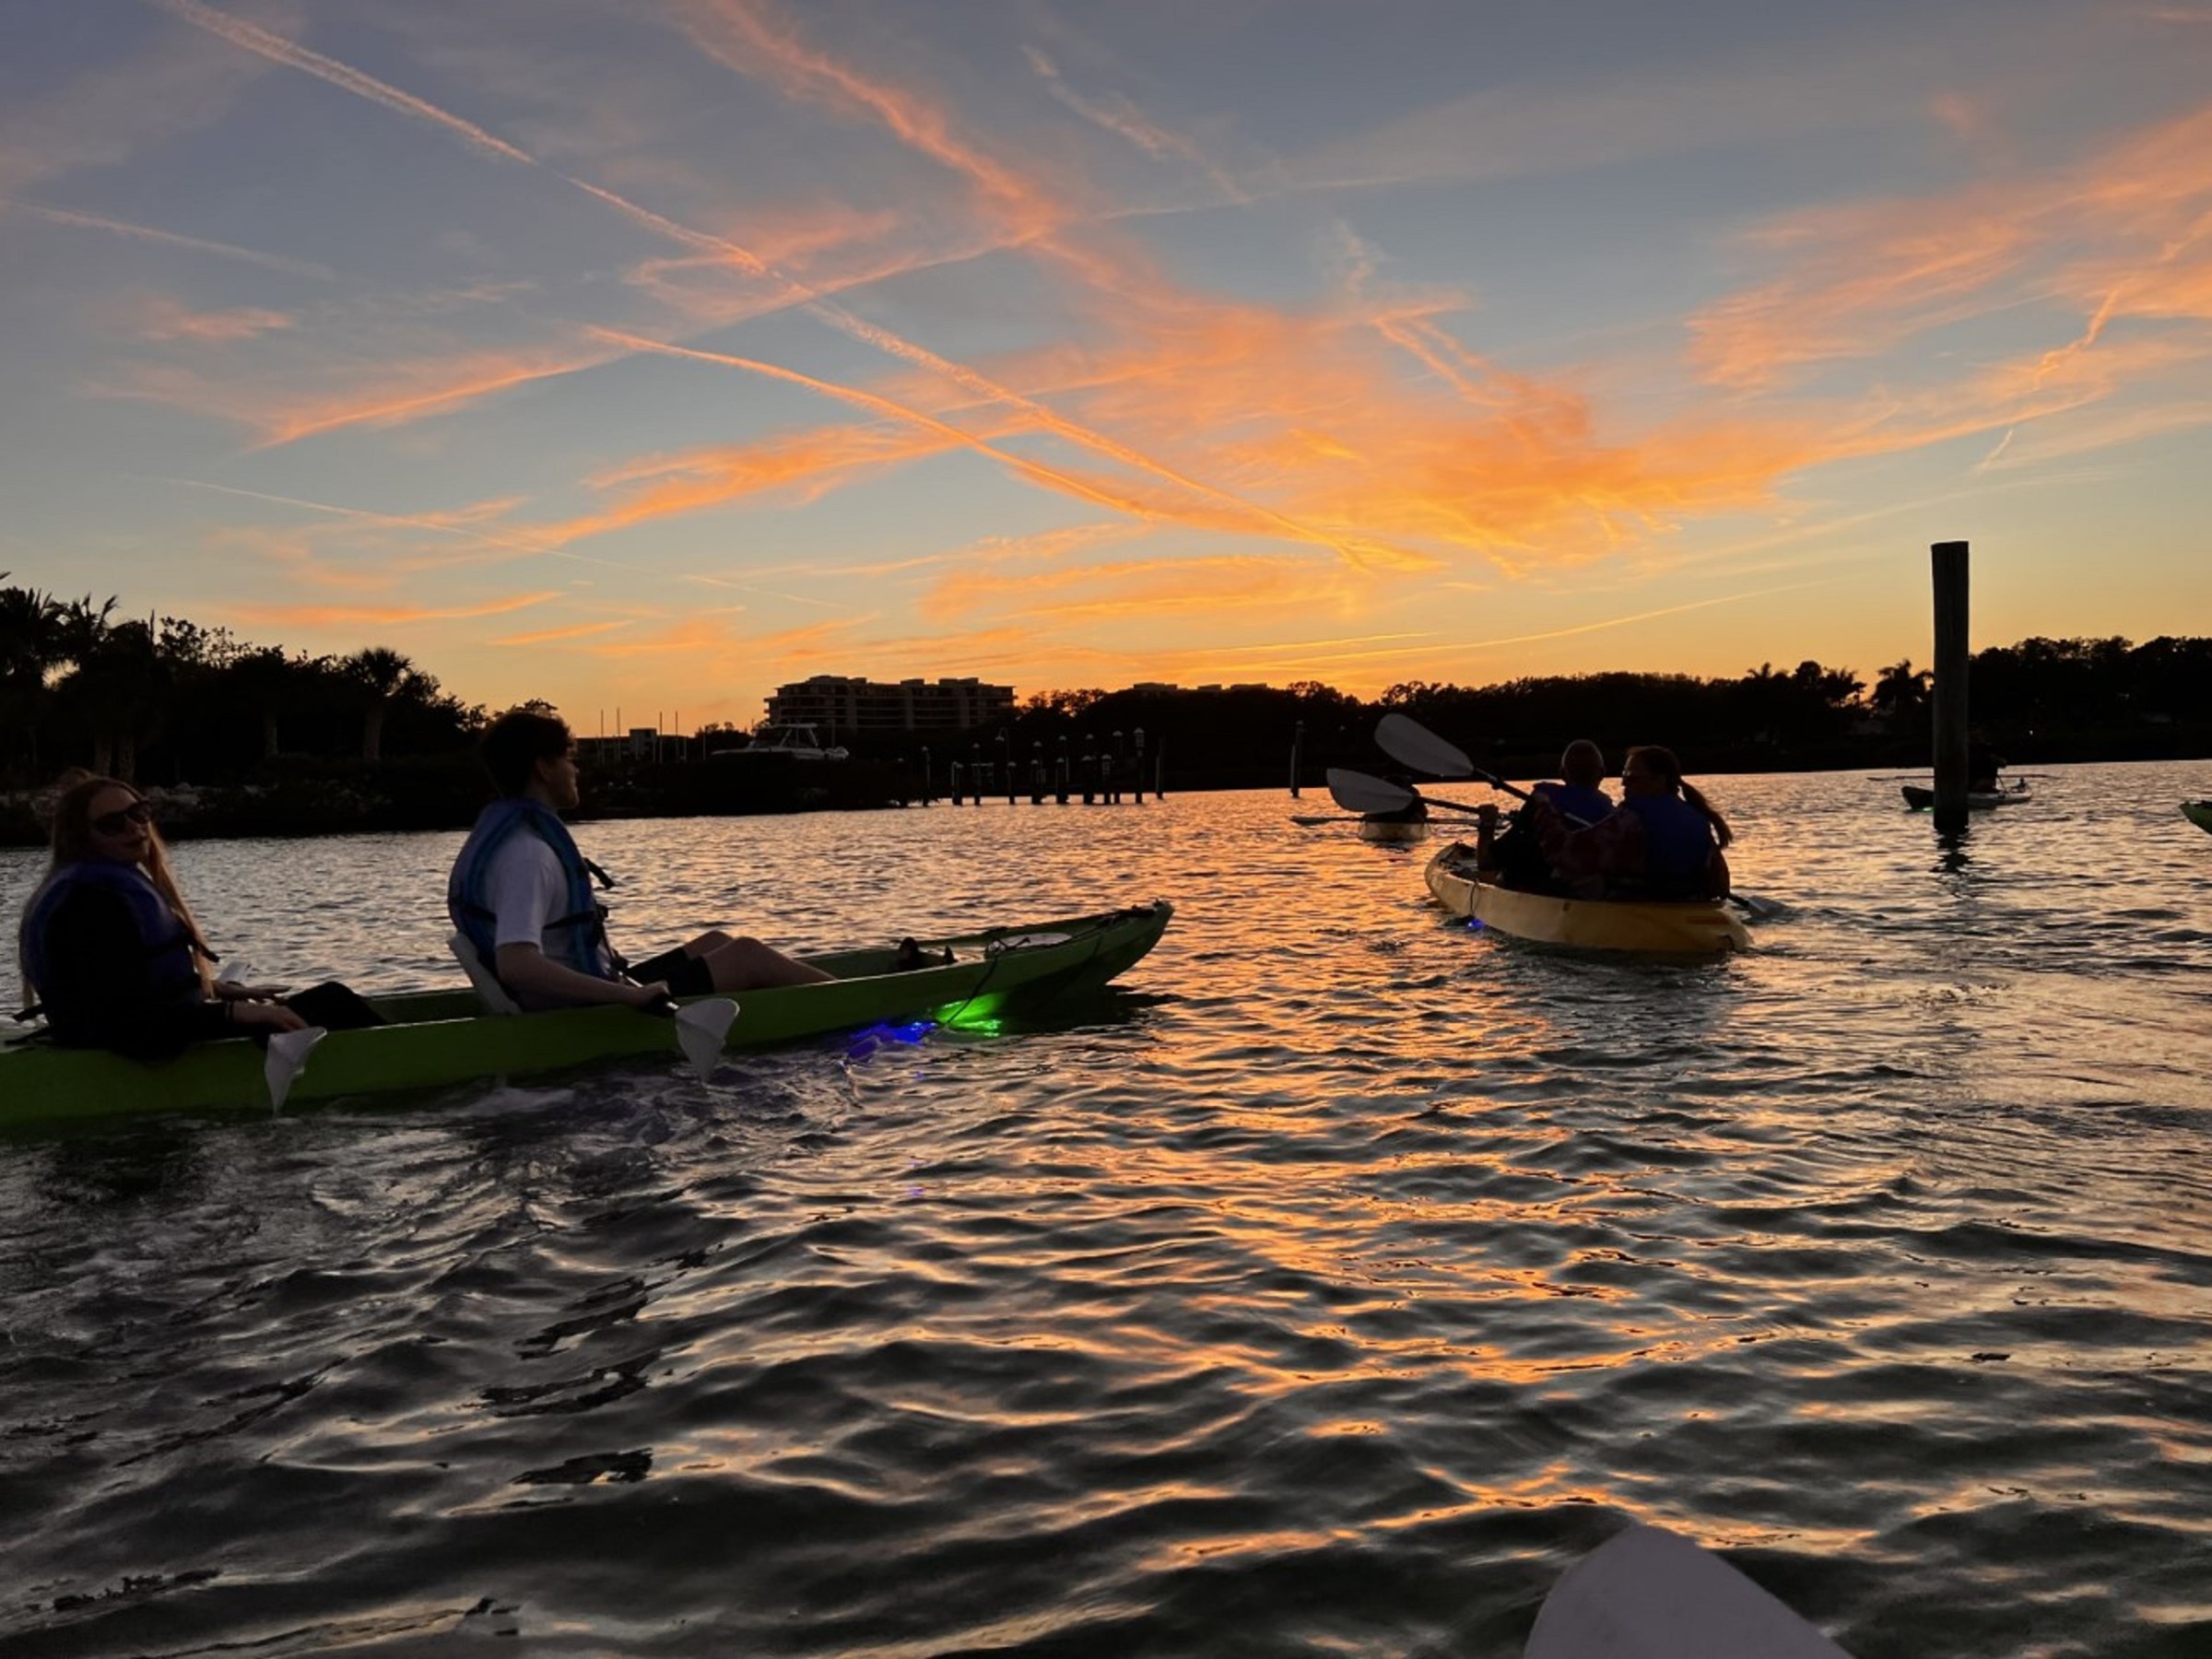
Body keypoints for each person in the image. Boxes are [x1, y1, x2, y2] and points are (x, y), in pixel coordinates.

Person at [448, 708, 832, 1012]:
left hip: (582, 993)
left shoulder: (513, 840)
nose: (575, 769)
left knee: (717, 941)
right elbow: (517, 965)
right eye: (568, 758)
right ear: (543, 768)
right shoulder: (528, 854)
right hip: (576, 1011)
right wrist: (630, 998)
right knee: (748, 955)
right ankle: (864, 1003)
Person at [16, 775, 383, 1060]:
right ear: (82, 838)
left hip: (134, 1032)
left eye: (139, 813)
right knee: (333, 1002)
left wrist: (219, 990)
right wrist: (233, 1015)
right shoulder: (92, 903)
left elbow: (129, 980)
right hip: (130, 1046)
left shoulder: (96, 889)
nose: (134, 827)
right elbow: (128, 1018)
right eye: (113, 823)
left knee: (327, 1000)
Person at [1533, 744, 1733, 900]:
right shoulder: (1697, 818)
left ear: (1658, 781)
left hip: (1639, 903)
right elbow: (1721, 886)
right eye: (1623, 775)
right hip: (1688, 902)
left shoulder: (1631, 819)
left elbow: (1563, 853)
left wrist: (1545, 808)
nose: (1623, 783)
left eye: (1631, 776)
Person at [1474, 739, 1617, 892]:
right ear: (1602, 773)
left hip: (1546, 892)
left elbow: (1485, 862)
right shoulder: (1614, 814)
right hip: (1596, 893)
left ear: (1562, 773)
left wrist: (1487, 825)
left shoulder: (1542, 804)